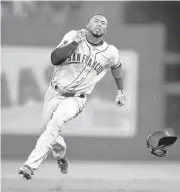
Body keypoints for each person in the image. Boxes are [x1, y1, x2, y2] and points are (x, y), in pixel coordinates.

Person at [18, 14, 126, 180]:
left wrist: (120, 91)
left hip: (76, 99)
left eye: (103, 22)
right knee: (46, 130)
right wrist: (75, 41)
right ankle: (60, 156)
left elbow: (117, 68)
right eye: (96, 20)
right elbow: (55, 59)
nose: (99, 24)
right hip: (53, 92)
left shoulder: (110, 52)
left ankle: (29, 166)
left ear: (106, 29)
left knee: (55, 123)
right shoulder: (72, 36)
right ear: (88, 24)